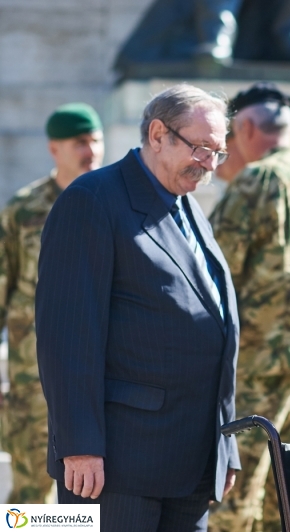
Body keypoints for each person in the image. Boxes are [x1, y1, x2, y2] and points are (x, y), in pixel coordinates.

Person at [36, 84, 240, 531]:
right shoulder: (92, 200)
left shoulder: (188, 206)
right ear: (157, 134)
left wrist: (224, 446)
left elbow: (215, 330)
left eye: (218, 152)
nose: (209, 163)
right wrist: (80, 446)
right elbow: (67, 336)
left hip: (189, 462)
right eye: (200, 147)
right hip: (117, 465)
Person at [208, 83, 290, 532]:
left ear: (243, 128)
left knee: (234, 495)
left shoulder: (255, 179)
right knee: (285, 496)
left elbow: (214, 273)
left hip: (258, 362)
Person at [0, 103, 103, 504]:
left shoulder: (111, 203)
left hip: (97, 381)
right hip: (33, 383)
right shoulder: (24, 210)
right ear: (54, 149)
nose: (90, 150)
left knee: (88, 497)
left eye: (95, 140)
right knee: (31, 495)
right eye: (79, 142)